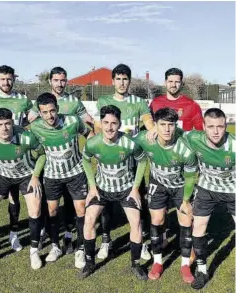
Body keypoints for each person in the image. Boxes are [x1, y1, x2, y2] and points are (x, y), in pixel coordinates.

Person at [29, 66, 94, 254]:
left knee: (78, 206)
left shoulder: (73, 112)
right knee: (51, 209)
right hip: (51, 172)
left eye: (63, 80)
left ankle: (77, 243)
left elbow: (88, 127)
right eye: (56, 80)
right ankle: (52, 241)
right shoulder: (36, 121)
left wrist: (92, 150)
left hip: (75, 171)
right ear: (50, 81)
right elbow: (27, 131)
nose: (60, 83)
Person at [96, 63, 156, 261]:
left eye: (125, 79)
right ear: (113, 81)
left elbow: (148, 123)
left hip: (134, 163)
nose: (122, 83)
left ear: (129, 81)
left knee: (140, 203)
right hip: (110, 163)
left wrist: (153, 130)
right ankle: (106, 241)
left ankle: (143, 242)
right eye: (118, 79)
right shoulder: (104, 100)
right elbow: (99, 128)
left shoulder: (138, 103)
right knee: (106, 207)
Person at [80, 105, 148, 280]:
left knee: (136, 223)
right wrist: (92, 187)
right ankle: (89, 263)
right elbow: (86, 161)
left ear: (119, 124)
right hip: (102, 188)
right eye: (106, 123)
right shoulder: (93, 143)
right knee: (88, 220)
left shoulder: (130, 143)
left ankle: (136, 264)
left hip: (125, 189)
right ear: (100, 123)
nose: (110, 127)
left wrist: (135, 189)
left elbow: (142, 161)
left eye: (114, 123)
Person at [134, 107, 197, 283]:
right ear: (155, 125)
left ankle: (185, 265)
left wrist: (185, 200)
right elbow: (130, 146)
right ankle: (157, 262)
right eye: (162, 125)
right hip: (158, 184)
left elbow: (191, 176)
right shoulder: (145, 139)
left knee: (186, 220)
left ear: (175, 126)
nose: (167, 129)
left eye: (171, 125)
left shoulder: (186, 148)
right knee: (157, 220)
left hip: (180, 186)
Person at [0, 108, 46, 269]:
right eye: (0, 124)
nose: (4, 128)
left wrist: (35, 176)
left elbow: (42, 154)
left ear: (12, 123)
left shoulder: (26, 137)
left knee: (35, 210)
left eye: (7, 123)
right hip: (3, 175)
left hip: (27, 175)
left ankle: (34, 251)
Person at [0, 65, 34, 253]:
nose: (6, 82)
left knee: (14, 196)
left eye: (9, 79)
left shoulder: (23, 100)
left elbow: (32, 120)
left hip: (18, 156)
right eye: (2, 79)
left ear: (14, 79)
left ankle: (14, 233)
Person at [149, 67, 204, 254]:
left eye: (177, 81)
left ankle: (191, 248)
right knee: (160, 210)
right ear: (165, 82)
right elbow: (149, 128)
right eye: (170, 81)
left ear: (182, 83)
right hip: (161, 165)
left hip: (183, 168)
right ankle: (162, 239)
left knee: (186, 209)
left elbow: (200, 134)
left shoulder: (192, 105)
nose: (173, 84)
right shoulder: (155, 103)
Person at [183, 108, 235, 290]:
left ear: (226, 126)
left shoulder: (234, 145)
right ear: (203, 126)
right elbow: (172, 134)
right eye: (210, 126)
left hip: (233, 191)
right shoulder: (193, 138)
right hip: (207, 189)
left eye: (220, 127)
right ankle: (202, 270)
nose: (215, 131)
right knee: (198, 227)